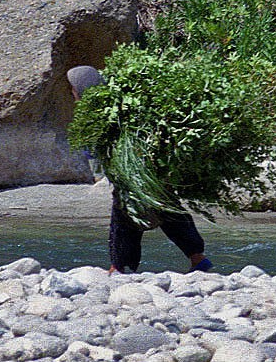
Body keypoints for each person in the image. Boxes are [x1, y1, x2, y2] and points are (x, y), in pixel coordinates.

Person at [67, 65, 214, 275]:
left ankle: (118, 267)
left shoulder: (96, 118)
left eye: (73, 89)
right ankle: (198, 258)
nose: (71, 93)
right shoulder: (127, 105)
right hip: (154, 174)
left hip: (131, 178)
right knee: (169, 211)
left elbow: (93, 152)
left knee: (123, 219)